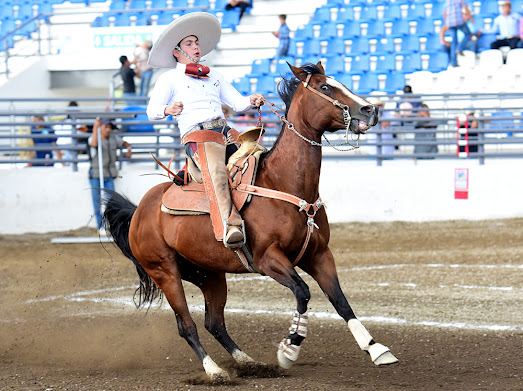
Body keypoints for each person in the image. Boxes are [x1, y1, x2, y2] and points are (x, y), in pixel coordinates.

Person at [146, 12, 264, 248]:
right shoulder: (169, 79)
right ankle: (230, 225)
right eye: (189, 43)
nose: (196, 46)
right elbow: (151, 110)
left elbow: (239, 103)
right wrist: (168, 108)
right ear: (177, 51)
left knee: (260, 155)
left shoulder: (215, 76)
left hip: (225, 132)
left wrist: (252, 99)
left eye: (197, 42)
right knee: (217, 172)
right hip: (198, 136)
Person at [88, 118, 132, 232]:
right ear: (100, 128)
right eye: (105, 127)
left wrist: (129, 148)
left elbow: (124, 143)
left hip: (109, 174)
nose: (108, 130)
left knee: (112, 201)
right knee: (97, 201)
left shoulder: (113, 138)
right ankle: (100, 226)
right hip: (96, 174)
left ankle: (111, 225)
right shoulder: (94, 138)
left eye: (110, 127)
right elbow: (93, 144)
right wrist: (95, 127)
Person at [443, 0, 473, 67]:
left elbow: (444, 13)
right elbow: (465, 8)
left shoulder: (448, 1)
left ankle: (453, 62)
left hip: (450, 23)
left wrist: (446, 22)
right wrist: (471, 17)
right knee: (468, 34)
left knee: (454, 42)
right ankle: (459, 48)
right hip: (458, 21)